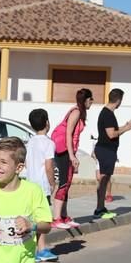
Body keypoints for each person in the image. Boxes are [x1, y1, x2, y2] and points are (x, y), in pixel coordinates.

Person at [93, 88, 131, 219]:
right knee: (103, 179)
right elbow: (111, 134)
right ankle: (99, 208)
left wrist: (124, 126)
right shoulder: (107, 114)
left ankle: (101, 207)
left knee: (105, 179)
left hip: (108, 150)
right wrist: (126, 128)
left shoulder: (107, 113)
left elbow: (112, 131)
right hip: (105, 150)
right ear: (118, 100)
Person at [51, 88, 93, 229]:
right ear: (86, 100)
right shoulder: (76, 112)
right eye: (91, 99)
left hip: (68, 150)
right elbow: (68, 134)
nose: (92, 102)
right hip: (64, 151)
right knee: (63, 183)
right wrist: (71, 155)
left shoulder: (79, 112)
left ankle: (63, 216)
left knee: (67, 184)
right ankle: (56, 218)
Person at [24, 108, 58, 262]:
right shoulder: (49, 143)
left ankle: (35, 248)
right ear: (47, 123)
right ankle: (42, 249)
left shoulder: (29, 142)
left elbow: (25, 162)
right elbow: (49, 166)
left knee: (34, 216)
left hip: (30, 183)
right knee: (43, 218)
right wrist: (53, 183)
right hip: (42, 185)